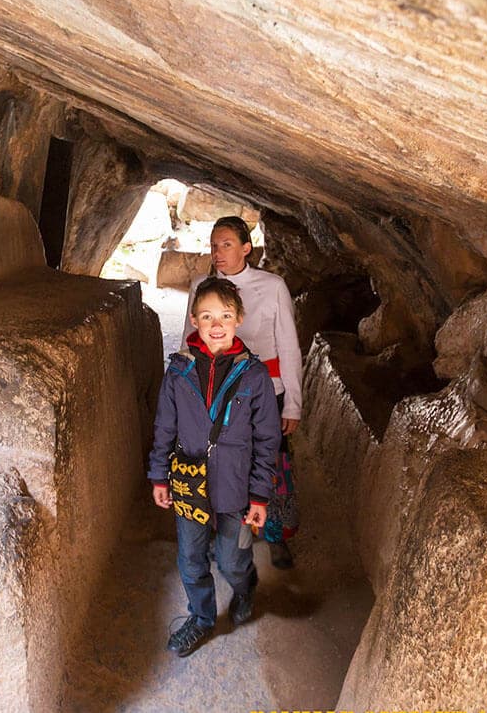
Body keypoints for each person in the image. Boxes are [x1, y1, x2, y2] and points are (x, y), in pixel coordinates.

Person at [149, 277, 281, 657]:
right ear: (194, 320)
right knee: (190, 558)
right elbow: (164, 427)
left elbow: (267, 440)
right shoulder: (178, 371)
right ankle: (202, 617)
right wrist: (159, 475)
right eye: (207, 316)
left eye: (224, 315)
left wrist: (259, 495)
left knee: (231, 559)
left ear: (239, 318)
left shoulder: (254, 377)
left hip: (236, 488)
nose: (216, 324)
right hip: (189, 481)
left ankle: (245, 585)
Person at [182, 216, 303, 569]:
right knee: (218, 463)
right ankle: (224, 537)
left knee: (273, 460)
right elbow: (189, 346)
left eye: (227, 245)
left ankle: (276, 534)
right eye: (214, 245)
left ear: (246, 248)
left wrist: (292, 403)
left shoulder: (272, 286)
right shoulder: (201, 286)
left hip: (268, 391)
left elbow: (289, 346)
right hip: (216, 391)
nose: (218, 252)